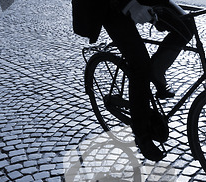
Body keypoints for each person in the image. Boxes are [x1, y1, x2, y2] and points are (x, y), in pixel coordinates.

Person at [72, 0, 194, 161]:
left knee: (187, 26)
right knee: (140, 64)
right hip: (110, 6)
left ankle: (157, 71)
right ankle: (142, 134)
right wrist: (129, 5)